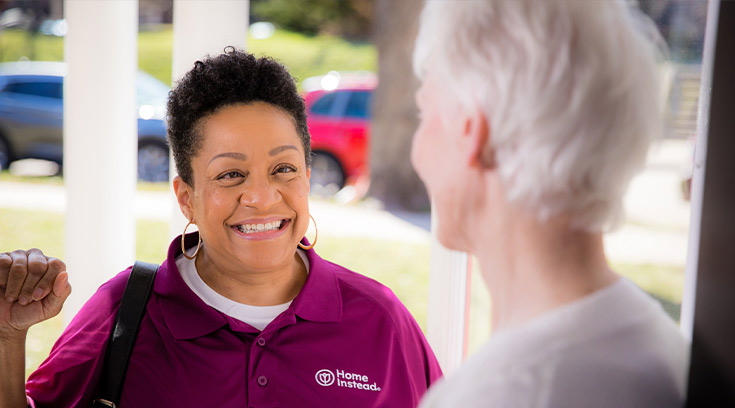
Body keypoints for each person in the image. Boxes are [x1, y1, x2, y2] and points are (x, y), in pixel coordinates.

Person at [0, 48, 442, 408]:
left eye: (283, 168)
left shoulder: (380, 321)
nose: (262, 197)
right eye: (231, 175)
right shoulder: (126, 310)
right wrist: (6, 336)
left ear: (307, 179)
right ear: (186, 197)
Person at [411, 1, 688, 407]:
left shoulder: (505, 393)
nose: (417, 149)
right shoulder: (657, 342)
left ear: (471, 131)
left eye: (424, 111)